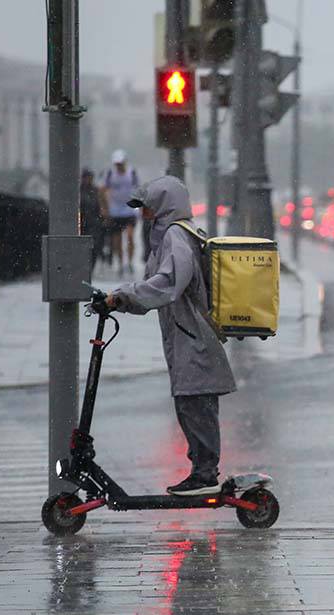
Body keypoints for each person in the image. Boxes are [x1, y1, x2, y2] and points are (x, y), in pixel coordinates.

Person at [105, 176, 236, 496]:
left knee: (195, 402)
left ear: (165, 207)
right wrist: (125, 299)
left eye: (148, 209)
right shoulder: (170, 237)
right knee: (189, 402)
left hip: (193, 337)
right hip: (185, 335)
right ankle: (202, 468)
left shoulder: (177, 236)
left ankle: (205, 472)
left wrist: (124, 295)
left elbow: (168, 283)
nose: (144, 216)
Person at [100, 149, 141, 275]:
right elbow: (102, 190)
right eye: (117, 164)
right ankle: (120, 262)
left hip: (129, 210)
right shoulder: (110, 174)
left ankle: (129, 262)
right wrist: (105, 208)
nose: (119, 166)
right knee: (117, 240)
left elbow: (139, 191)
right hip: (115, 211)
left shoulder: (132, 173)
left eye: (121, 163)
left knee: (129, 236)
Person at [78, 168, 108, 271]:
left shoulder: (96, 191)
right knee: (83, 245)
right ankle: (84, 266)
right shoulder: (79, 191)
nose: (88, 180)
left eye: (90, 178)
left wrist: (104, 216)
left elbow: (103, 205)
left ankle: (91, 267)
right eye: (86, 178)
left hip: (95, 222)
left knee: (95, 245)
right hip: (82, 222)